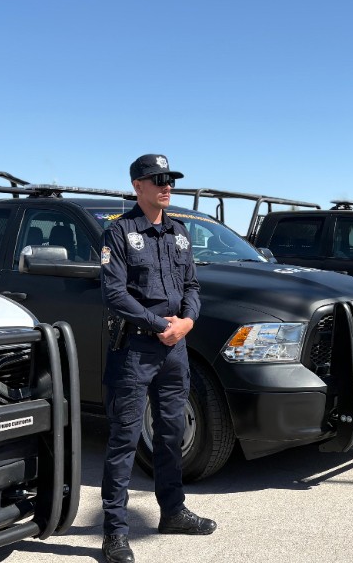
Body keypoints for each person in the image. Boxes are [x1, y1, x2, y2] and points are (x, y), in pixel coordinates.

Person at [99, 154, 216, 563]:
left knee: (169, 435)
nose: (166, 185)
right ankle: (114, 532)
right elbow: (114, 294)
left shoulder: (179, 233)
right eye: (157, 179)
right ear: (138, 186)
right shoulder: (119, 233)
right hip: (135, 349)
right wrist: (157, 324)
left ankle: (173, 511)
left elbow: (192, 286)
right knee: (124, 441)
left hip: (175, 349)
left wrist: (186, 323)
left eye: (169, 179)